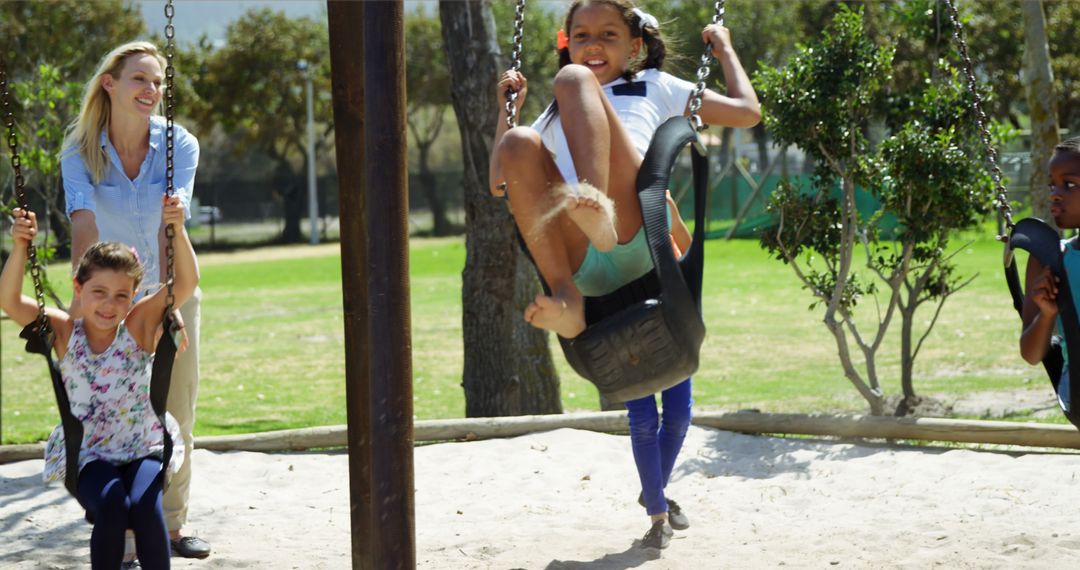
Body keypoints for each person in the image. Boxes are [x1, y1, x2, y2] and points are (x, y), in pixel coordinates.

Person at [487, 0, 760, 550]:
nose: (593, 46)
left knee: (677, 406)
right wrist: (506, 111)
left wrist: (724, 48)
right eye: (581, 35)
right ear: (567, 39)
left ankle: (596, 206)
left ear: (634, 45)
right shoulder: (552, 110)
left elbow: (747, 112)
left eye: (608, 35)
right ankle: (565, 297)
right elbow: (501, 181)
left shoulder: (655, 85)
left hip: (638, 233)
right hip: (589, 260)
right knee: (517, 143)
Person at [61, 41, 210, 560]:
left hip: (168, 289)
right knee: (107, 411)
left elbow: (175, 228)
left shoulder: (179, 145)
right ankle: (121, 531)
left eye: (158, 82)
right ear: (110, 83)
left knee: (174, 409)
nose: (152, 91)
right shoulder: (79, 149)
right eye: (139, 80)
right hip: (105, 294)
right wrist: (86, 305)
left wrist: (169, 302)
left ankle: (170, 524)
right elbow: (83, 225)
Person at [0, 200, 198, 570]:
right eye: (99, 292)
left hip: (143, 444)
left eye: (121, 295)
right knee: (112, 506)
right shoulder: (63, 331)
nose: (109, 305)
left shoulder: (138, 326)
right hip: (88, 452)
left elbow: (185, 284)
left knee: (143, 506)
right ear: (78, 286)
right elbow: (9, 300)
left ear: (133, 297)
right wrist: (20, 246)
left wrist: (178, 227)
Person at [1020, 136, 1080, 415]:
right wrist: (1046, 314)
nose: (1055, 193)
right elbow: (1031, 354)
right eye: (1052, 184)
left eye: (1069, 184)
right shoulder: (1049, 259)